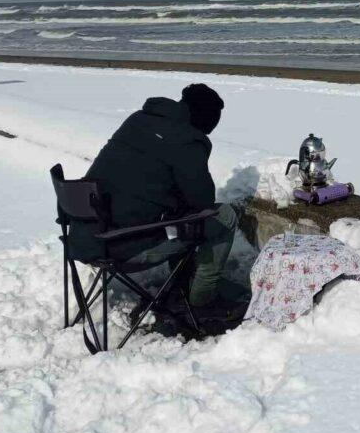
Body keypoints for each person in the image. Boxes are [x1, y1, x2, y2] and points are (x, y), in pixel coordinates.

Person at [76, 83, 243, 321]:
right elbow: (202, 201)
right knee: (223, 216)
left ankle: (185, 279)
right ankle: (203, 301)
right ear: (205, 119)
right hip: (122, 246)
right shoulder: (187, 140)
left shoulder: (137, 119)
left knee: (175, 213)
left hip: (86, 234)